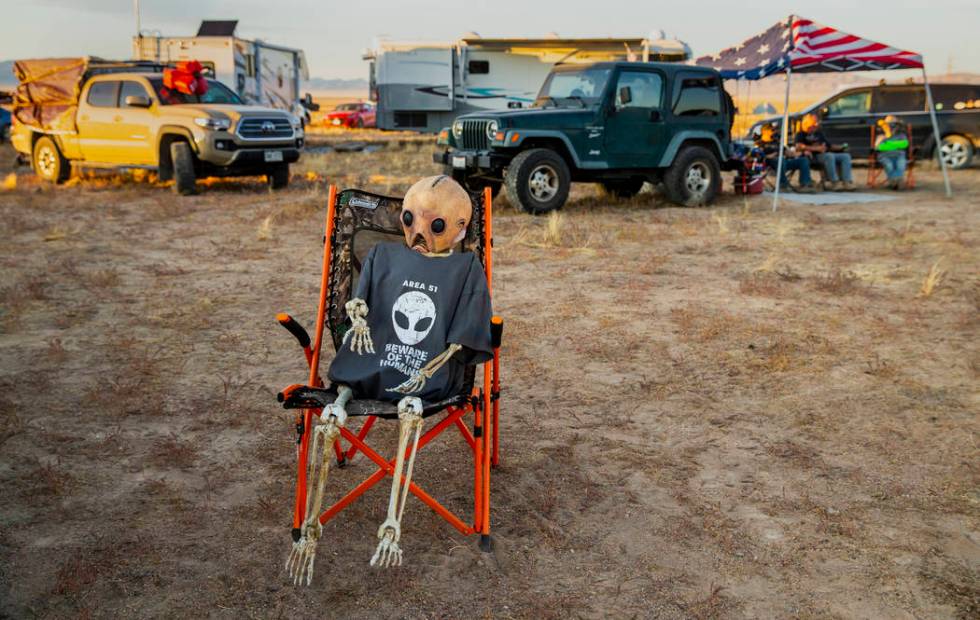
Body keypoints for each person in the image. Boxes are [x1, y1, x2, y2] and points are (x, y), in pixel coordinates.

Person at [795, 113, 856, 191]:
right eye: (813, 124)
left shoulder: (818, 133)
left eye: (816, 124)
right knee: (829, 156)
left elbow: (829, 146)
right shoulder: (801, 134)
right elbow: (799, 146)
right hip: (813, 157)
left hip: (824, 154)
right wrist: (816, 148)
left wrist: (842, 147)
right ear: (807, 124)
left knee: (845, 156)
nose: (816, 126)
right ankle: (833, 182)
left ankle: (846, 181)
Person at [755, 123, 817, 193]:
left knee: (803, 160)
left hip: (784, 162)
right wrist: (776, 154)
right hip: (771, 164)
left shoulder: (776, 142)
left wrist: (803, 153)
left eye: (774, 130)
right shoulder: (760, 143)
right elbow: (760, 157)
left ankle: (805, 184)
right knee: (781, 159)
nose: (774, 131)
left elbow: (789, 153)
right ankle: (783, 185)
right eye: (771, 130)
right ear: (764, 131)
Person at [874, 115, 909, 190]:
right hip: (885, 156)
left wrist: (888, 144)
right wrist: (896, 144)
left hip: (899, 155)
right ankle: (897, 182)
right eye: (889, 125)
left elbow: (905, 144)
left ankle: (894, 182)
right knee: (889, 165)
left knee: (901, 165)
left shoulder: (901, 134)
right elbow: (879, 147)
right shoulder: (881, 135)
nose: (892, 127)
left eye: (893, 125)